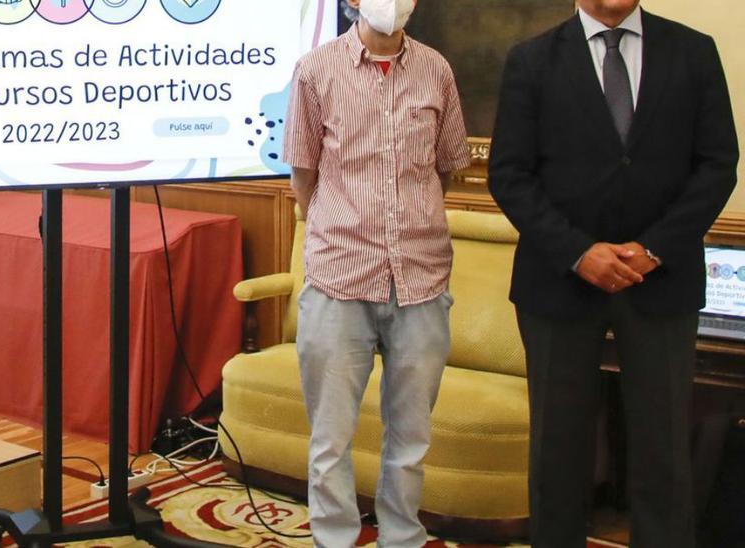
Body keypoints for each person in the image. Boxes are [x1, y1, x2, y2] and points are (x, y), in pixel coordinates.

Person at [488, 0, 738, 545]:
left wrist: (654, 249)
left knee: (663, 447)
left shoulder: (693, 52)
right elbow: (509, 174)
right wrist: (580, 253)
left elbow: (718, 164)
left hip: (661, 281)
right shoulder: (531, 61)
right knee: (558, 450)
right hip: (557, 283)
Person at [281, 0, 470, 545]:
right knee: (330, 441)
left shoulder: (437, 69)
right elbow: (304, 173)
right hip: (340, 277)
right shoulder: (316, 69)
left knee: (410, 441)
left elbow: (445, 167)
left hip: (421, 278)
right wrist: (342, 226)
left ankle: (400, 537)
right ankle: (334, 538)